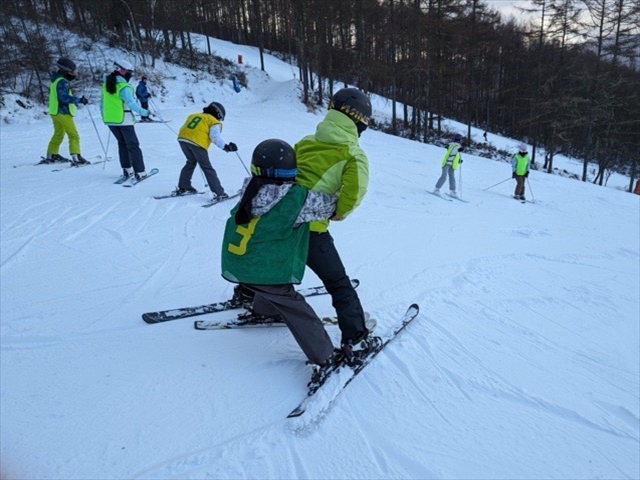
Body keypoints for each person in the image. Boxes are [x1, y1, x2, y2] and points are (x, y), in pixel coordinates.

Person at [221, 139, 379, 389]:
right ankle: (324, 356)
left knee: (269, 286)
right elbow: (330, 207)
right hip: (263, 270)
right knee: (295, 306)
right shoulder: (297, 198)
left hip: (238, 263)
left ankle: (264, 309)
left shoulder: (248, 188)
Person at [292, 87, 377, 364]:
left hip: (280, 223)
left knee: (279, 271)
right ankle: (356, 336)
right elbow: (353, 195)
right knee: (339, 283)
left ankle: (262, 305)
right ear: (360, 122)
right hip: (311, 230)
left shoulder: (305, 141)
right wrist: (336, 213)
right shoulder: (353, 154)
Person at [175, 101, 237, 200]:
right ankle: (219, 193)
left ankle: (184, 186)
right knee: (207, 167)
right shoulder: (213, 121)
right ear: (217, 114)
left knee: (190, 162)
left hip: (182, 139)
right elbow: (214, 136)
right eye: (220, 117)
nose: (219, 119)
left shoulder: (194, 115)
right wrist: (226, 147)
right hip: (197, 142)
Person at [101, 59, 150, 181]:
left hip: (110, 120)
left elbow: (101, 104)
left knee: (122, 144)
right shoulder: (124, 87)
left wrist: (104, 116)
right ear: (122, 71)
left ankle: (127, 170)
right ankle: (140, 171)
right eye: (129, 72)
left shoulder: (106, 84)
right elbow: (131, 104)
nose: (130, 75)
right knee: (133, 146)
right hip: (124, 120)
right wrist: (145, 112)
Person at [44, 58, 89, 166]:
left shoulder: (55, 80)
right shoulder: (62, 81)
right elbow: (63, 98)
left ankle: (52, 154)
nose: (73, 74)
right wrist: (79, 100)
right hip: (62, 112)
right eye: (71, 71)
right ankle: (76, 157)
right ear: (64, 70)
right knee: (74, 135)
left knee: (58, 133)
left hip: (54, 112)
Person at [433, 133, 463, 197]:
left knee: (452, 178)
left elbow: (455, 155)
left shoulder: (455, 146)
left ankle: (452, 191)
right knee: (444, 177)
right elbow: (452, 154)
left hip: (451, 164)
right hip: (447, 163)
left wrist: (458, 160)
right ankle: (436, 189)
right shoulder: (456, 146)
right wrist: (458, 150)